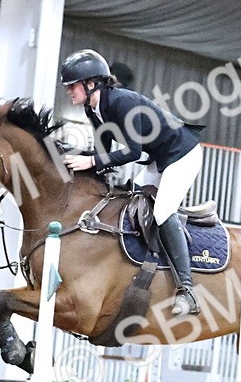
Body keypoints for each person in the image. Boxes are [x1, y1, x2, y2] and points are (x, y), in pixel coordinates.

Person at [59, 49, 204, 316]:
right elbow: (102, 153)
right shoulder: (94, 109)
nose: (68, 91)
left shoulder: (121, 102)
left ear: (91, 84)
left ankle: (187, 290)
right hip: (160, 157)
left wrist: (90, 161)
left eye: (72, 85)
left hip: (183, 154)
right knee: (133, 204)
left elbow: (132, 152)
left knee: (162, 211)